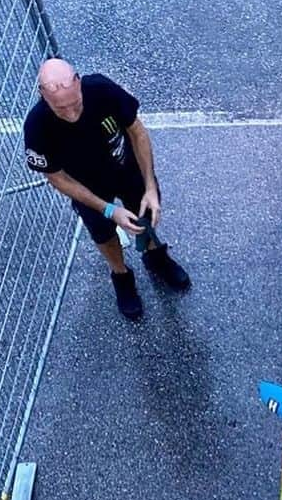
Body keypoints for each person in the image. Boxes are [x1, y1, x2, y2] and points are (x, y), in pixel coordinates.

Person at [23, 59, 190, 321]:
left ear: (78, 82)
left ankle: (154, 255)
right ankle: (121, 274)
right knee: (102, 233)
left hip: (126, 169)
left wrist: (149, 187)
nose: (70, 113)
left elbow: (138, 132)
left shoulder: (102, 89)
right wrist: (109, 210)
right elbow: (56, 177)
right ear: (42, 95)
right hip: (86, 187)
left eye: (75, 103)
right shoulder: (37, 125)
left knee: (142, 216)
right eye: (60, 108)